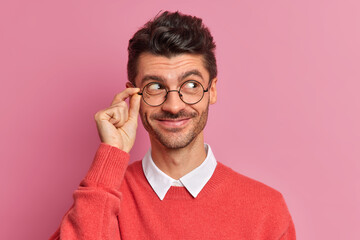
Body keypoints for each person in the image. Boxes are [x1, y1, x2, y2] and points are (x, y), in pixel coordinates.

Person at [50, 11, 296, 240]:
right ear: (132, 95)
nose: (174, 105)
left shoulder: (267, 210)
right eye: (155, 87)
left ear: (212, 91)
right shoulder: (101, 196)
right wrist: (111, 155)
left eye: (191, 85)